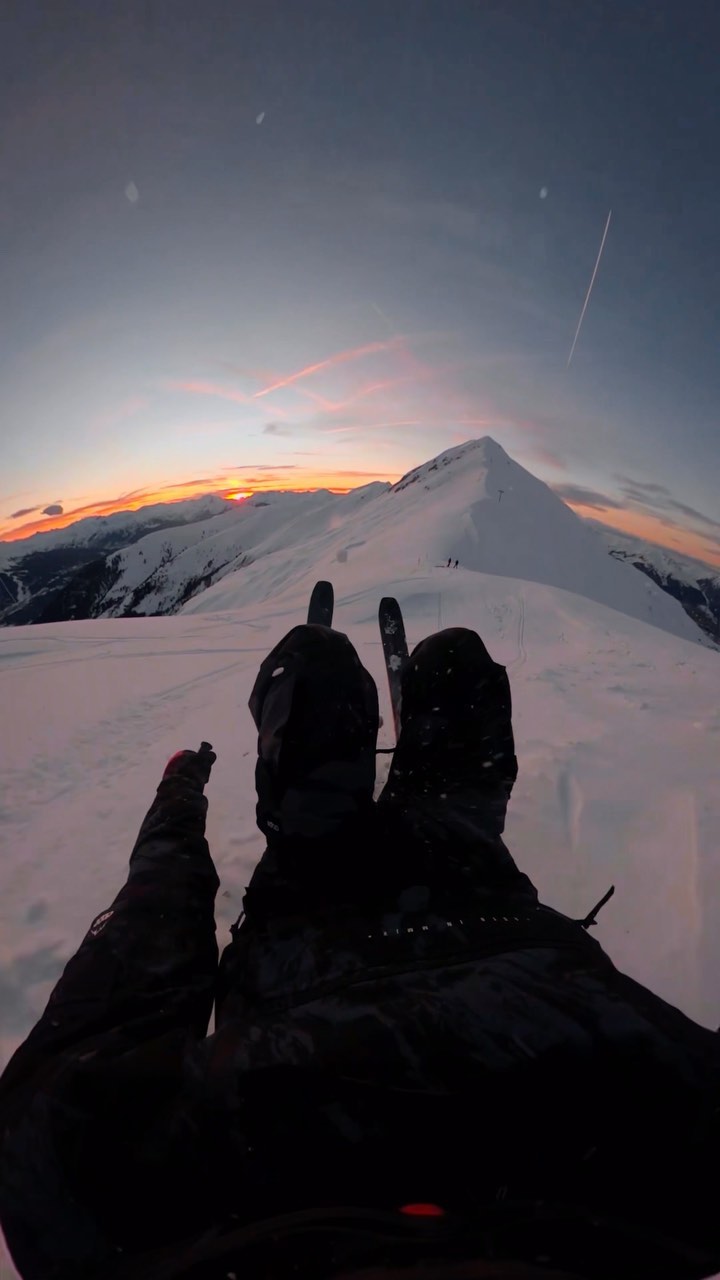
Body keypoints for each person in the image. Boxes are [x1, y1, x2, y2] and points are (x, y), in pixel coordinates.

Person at [1, 623, 719, 1280]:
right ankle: (393, 805)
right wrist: (176, 808)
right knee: (436, 754)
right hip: (536, 990)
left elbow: (150, 936)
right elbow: (149, 938)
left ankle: (384, 804)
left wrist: (176, 800)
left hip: (349, 1003)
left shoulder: (99, 1194)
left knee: (376, 801)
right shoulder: (86, 1197)